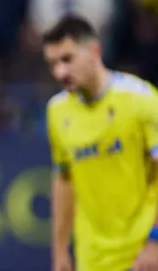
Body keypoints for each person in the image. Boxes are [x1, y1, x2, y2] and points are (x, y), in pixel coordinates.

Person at [43, 15, 158, 271]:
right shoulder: (57, 111)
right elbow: (64, 179)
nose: (59, 72)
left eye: (67, 59)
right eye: (52, 64)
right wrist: (60, 251)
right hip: (93, 259)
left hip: (143, 256)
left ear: (94, 51)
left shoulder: (141, 99)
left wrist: (155, 241)